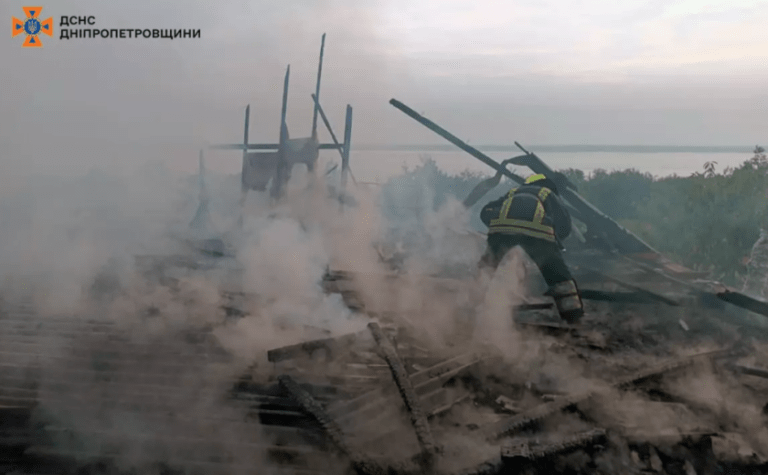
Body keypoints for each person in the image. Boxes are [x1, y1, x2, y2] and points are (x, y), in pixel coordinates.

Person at [478, 173, 584, 323]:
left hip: (502, 230)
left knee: (487, 268)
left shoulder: (513, 192)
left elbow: (485, 211)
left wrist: (498, 229)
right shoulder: (548, 194)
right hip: (537, 234)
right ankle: (573, 317)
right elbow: (565, 225)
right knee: (559, 278)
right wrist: (554, 241)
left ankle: (472, 305)